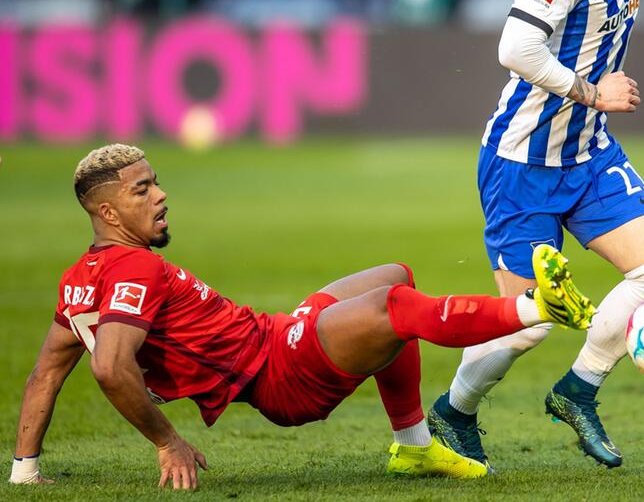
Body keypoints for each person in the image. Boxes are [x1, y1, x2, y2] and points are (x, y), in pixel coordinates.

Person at [9, 144, 595, 490]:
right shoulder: (136, 270)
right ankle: (536, 305)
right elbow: (111, 368)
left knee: (394, 275)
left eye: (156, 181)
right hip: (280, 375)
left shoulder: (81, 277)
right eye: (142, 190)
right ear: (108, 211)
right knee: (392, 310)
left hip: (273, 335)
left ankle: (413, 444)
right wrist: (167, 443)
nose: (160, 195)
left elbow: (45, 375)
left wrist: (24, 472)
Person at [427, 0, 644, 471]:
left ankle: (578, 391)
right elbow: (515, 49)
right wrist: (596, 92)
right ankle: (454, 411)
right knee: (528, 325)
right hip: (523, 163)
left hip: (588, 153)